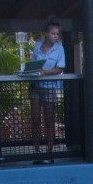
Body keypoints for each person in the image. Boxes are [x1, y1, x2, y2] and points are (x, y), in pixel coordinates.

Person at [28, 18, 65, 164]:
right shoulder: (37, 46)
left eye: (57, 34)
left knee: (49, 120)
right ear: (46, 33)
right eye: (53, 33)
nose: (55, 36)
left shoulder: (59, 48)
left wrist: (46, 72)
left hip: (50, 87)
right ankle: (36, 151)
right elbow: (32, 64)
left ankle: (49, 152)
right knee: (35, 119)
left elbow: (60, 68)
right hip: (35, 87)